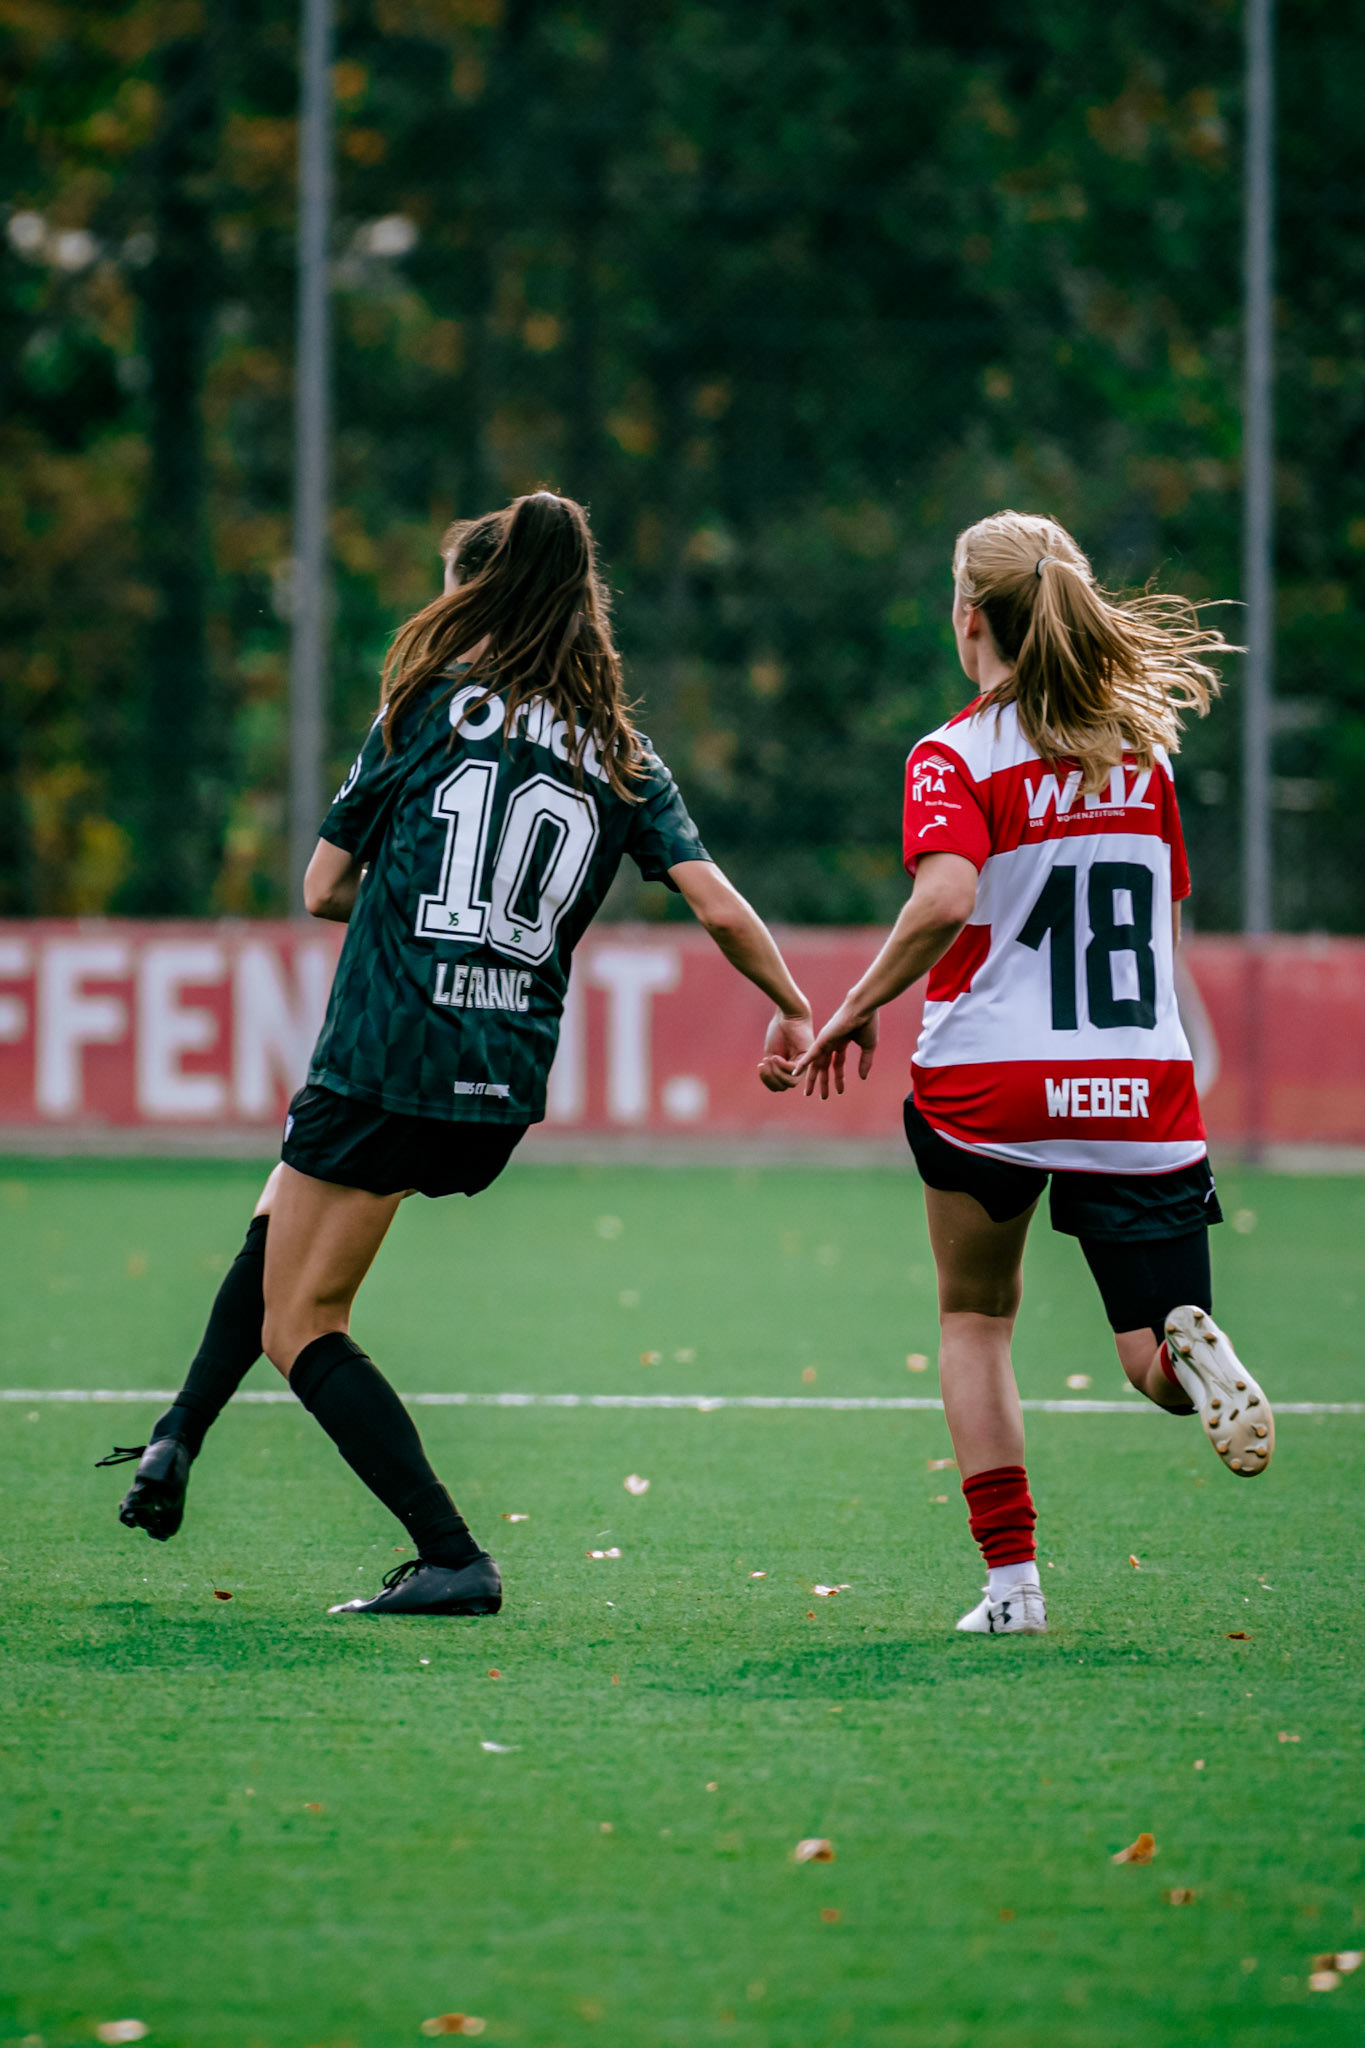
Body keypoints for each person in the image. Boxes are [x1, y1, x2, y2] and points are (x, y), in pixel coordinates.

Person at [100, 491, 813, 1615]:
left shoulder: (424, 706)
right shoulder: (625, 752)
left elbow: (323, 886)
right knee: (282, 1205)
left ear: (483, 594)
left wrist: (413, 896)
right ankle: (177, 1432)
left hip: (388, 1048)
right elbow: (717, 906)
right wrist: (793, 1006)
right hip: (500, 1081)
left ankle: (452, 1553)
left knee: (302, 1323)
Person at [788, 509, 1272, 1637]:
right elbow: (1159, 920)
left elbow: (949, 897)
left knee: (974, 1319)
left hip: (993, 1084)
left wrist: (854, 1006)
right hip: (1138, 1083)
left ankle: (1014, 1588)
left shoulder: (953, 754)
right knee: (1148, 1356)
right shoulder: (1142, 758)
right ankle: (1192, 1350)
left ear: (968, 616)